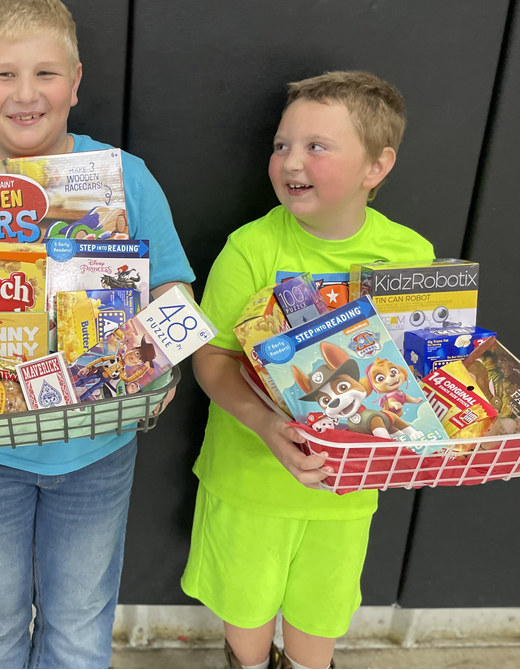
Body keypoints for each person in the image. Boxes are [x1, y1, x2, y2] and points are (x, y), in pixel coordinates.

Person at [0, 0, 194, 668]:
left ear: (75, 84)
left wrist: (159, 356)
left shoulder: (124, 180)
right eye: (4, 74)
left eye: (45, 73)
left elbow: (173, 289)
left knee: (80, 628)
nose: (25, 94)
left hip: (96, 448)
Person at [184, 71, 433, 669]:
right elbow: (209, 357)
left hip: (346, 493)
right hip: (248, 483)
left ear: (376, 166)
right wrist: (265, 425)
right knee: (245, 615)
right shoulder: (251, 248)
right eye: (281, 145)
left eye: (317, 146)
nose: (291, 160)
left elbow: (425, 374)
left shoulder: (411, 257)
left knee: (320, 618)